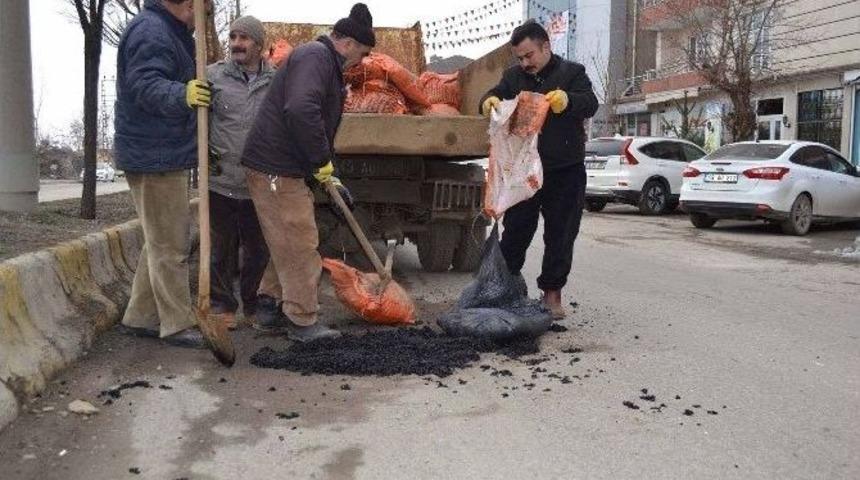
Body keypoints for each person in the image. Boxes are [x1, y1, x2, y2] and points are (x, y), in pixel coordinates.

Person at [240, 3, 373, 342]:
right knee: (299, 242)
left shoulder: (321, 61)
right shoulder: (316, 57)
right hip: (276, 169)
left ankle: (270, 307)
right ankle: (302, 320)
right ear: (347, 44)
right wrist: (321, 162)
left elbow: (317, 125)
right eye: (362, 53)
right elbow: (301, 109)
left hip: (280, 167)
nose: (361, 61)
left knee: (283, 241)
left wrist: (331, 175)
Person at [480, 20, 598, 319]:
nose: (525, 62)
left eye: (529, 55)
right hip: (524, 172)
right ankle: (504, 287)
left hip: (564, 170)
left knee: (560, 234)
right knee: (517, 230)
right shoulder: (513, 77)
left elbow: (590, 103)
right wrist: (488, 100)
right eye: (520, 57)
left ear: (546, 46)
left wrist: (567, 100)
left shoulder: (572, 73)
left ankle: (552, 295)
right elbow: (492, 94)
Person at [113, 0, 212, 348]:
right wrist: (181, 93)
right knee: (171, 244)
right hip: (154, 154)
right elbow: (143, 84)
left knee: (159, 240)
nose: (200, 17)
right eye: (200, 8)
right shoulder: (152, 31)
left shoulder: (166, 29)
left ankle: (140, 317)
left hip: (158, 151)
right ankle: (177, 323)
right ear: (185, 4)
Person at [206, 16, 274, 330]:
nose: (236, 43)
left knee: (258, 250)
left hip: (258, 184)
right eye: (232, 36)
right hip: (220, 180)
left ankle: (252, 305)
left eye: (244, 38)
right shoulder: (212, 77)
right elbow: (197, 122)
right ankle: (222, 306)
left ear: (260, 46)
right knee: (220, 249)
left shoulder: (276, 82)